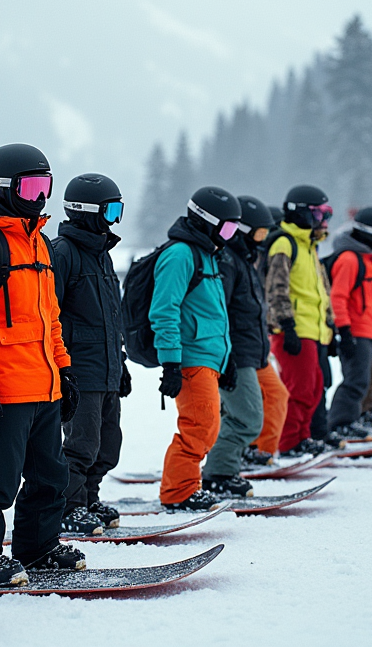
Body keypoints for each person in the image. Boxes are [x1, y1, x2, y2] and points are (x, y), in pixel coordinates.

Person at [0, 143, 86, 588]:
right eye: (31, 186)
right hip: (3, 388)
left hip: (43, 385)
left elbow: (51, 319)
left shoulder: (41, 245)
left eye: (46, 185)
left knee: (51, 477)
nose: (40, 196)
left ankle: (38, 548)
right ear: (3, 188)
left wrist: (63, 371)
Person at [150, 186, 237, 511]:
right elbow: (164, 310)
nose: (229, 236)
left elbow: (214, 313)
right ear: (205, 221)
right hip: (189, 358)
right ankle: (178, 492)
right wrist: (171, 362)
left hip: (210, 357)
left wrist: (226, 360)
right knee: (199, 425)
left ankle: (187, 486)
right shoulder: (180, 255)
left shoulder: (208, 254)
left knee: (209, 425)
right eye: (226, 228)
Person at [51, 173, 128, 531]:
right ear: (87, 211)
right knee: (81, 443)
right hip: (80, 368)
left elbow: (112, 317)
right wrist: (62, 369)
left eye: (119, 210)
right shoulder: (63, 253)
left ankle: (89, 498)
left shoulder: (102, 256)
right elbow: (49, 313)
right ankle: (69, 507)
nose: (114, 219)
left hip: (107, 368)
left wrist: (121, 365)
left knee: (107, 444)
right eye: (111, 210)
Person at [203, 196, 274, 496]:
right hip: (235, 353)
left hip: (247, 352)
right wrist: (228, 355)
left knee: (236, 416)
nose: (262, 241)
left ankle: (222, 468)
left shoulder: (242, 260)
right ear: (242, 230)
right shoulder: (229, 261)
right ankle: (218, 472)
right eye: (259, 233)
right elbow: (222, 311)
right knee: (247, 418)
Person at [263, 185, 336, 454]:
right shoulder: (285, 243)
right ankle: (289, 441)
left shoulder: (310, 246)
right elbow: (276, 288)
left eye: (326, 214)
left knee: (315, 387)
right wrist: (287, 326)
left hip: (314, 330)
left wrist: (330, 325)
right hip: (294, 330)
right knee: (300, 390)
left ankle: (302, 437)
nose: (323, 221)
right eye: (318, 214)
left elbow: (321, 290)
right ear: (301, 213)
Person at [327, 207, 372, 435]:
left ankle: (363, 413)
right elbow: (338, 297)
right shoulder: (349, 259)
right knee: (356, 380)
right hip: (356, 330)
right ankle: (340, 423)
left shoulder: (369, 257)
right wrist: (344, 331)